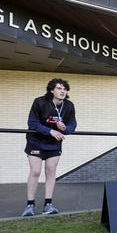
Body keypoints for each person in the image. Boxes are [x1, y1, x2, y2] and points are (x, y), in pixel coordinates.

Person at [23, 78, 77, 216]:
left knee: (51, 172)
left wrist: (65, 128)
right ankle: (30, 205)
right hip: (36, 141)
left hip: (53, 144)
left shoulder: (69, 105)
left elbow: (72, 124)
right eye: (59, 88)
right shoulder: (39, 102)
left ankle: (48, 205)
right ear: (51, 90)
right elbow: (32, 123)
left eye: (65, 89)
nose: (62, 91)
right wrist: (50, 131)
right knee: (35, 172)